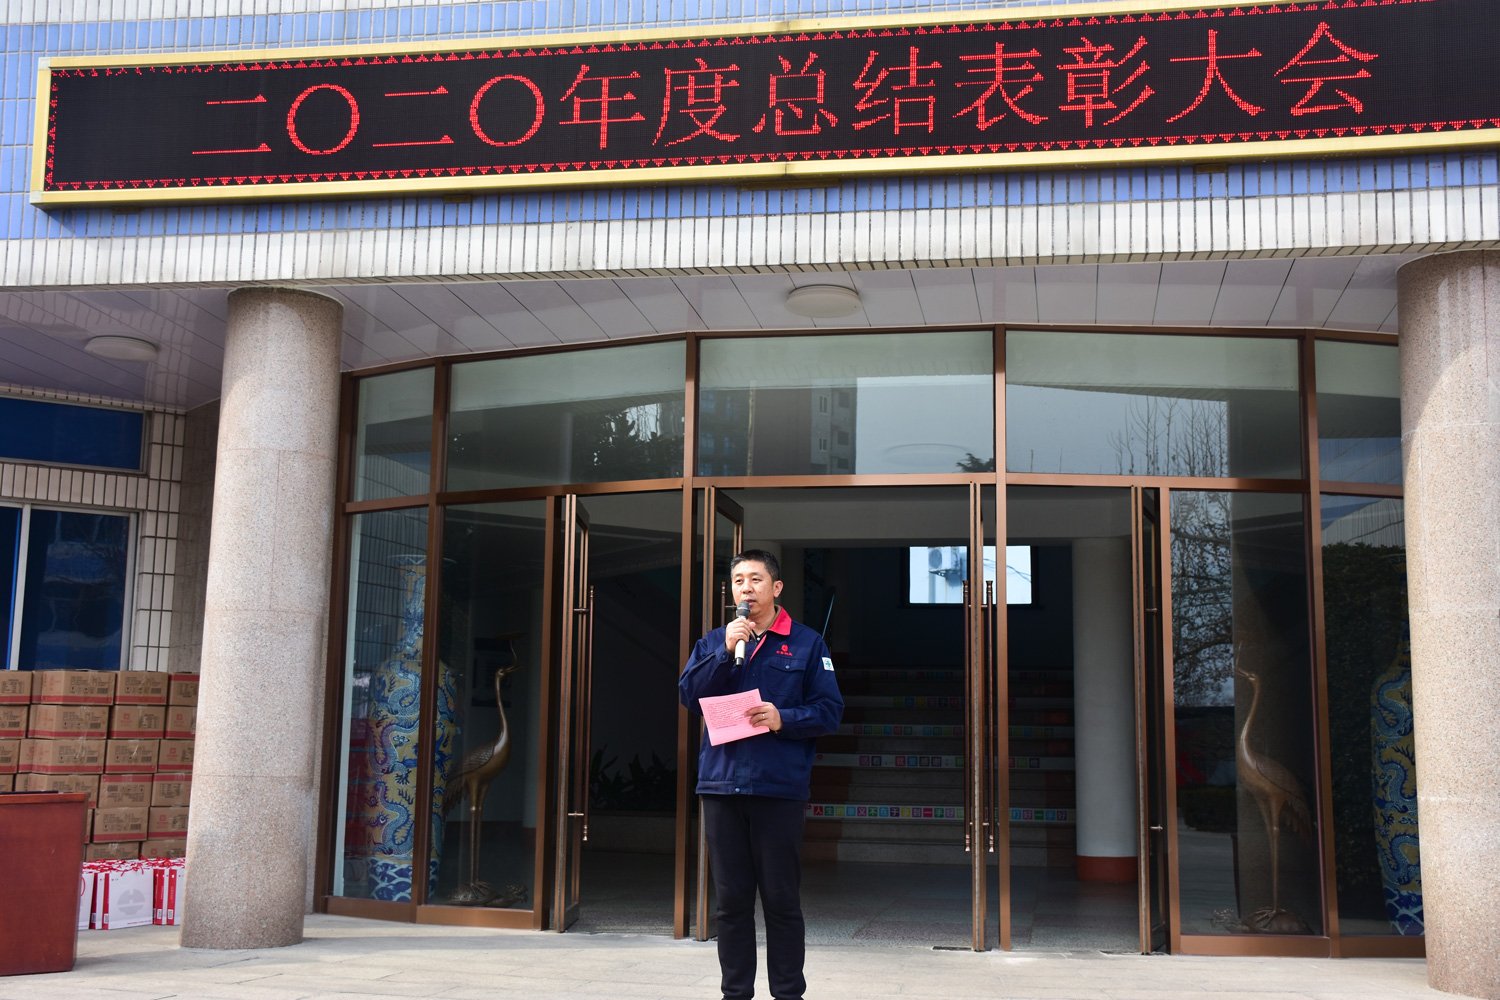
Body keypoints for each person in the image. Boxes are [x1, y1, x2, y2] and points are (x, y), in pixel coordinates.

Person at [679, 549, 844, 1000]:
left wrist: (782, 718)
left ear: (776, 587)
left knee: (781, 899)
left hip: (778, 788)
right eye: (738, 581)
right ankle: (735, 993)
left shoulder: (807, 643)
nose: (746, 588)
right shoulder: (714, 642)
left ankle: (788, 993)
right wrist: (723, 653)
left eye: (755, 579)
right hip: (721, 785)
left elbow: (829, 711)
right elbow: (689, 695)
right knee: (731, 903)